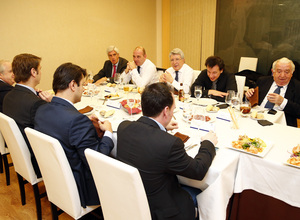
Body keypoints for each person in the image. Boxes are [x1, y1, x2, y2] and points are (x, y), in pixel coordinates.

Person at [117, 82, 217, 220]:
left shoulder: (123, 127)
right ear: (165, 111)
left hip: (129, 202)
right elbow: (198, 170)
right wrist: (208, 143)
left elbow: (146, 135)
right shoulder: (170, 144)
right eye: (172, 110)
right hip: (161, 211)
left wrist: (161, 127)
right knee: (206, 193)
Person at [34, 62, 114, 207]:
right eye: (82, 84)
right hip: (82, 188)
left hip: (54, 179)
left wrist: (86, 124)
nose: (84, 89)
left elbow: (64, 123)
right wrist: (108, 132)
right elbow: (96, 160)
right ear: (72, 85)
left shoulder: (41, 111)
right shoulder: (77, 121)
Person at [3, 53, 52, 178]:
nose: (41, 72)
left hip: (21, 155)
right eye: (40, 69)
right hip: (38, 161)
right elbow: (52, 132)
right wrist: (51, 105)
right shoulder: (35, 103)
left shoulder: (9, 96)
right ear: (33, 72)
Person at [246, 57, 300, 127]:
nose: (282, 75)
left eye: (287, 72)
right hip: (257, 120)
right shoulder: (262, 81)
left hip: (281, 125)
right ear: (273, 72)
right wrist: (249, 96)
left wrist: (283, 102)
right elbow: (252, 102)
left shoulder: (297, 87)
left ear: (292, 73)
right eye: (279, 71)